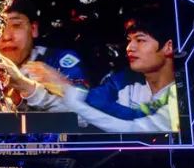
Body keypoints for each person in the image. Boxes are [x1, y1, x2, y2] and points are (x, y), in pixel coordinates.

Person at [22, 13, 180, 132]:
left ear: (168, 47)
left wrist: (64, 86)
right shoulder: (123, 80)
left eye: (140, 40)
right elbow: (87, 109)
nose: (129, 47)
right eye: (129, 40)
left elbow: (133, 125)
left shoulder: (183, 93)